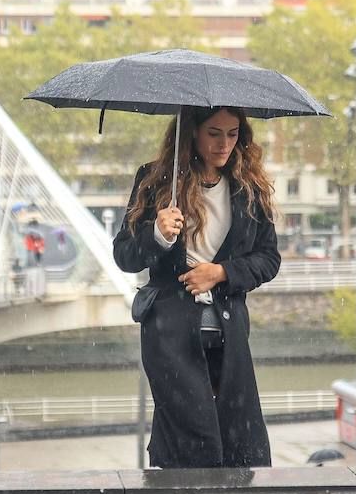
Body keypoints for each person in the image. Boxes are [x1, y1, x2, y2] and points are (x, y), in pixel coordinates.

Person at [114, 106, 280, 468]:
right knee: (193, 434)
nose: (224, 143)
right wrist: (156, 234)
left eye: (233, 133)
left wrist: (221, 272)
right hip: (169, 334)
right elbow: (125, 256)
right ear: (192, 132)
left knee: (240, 436)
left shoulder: (249, 187)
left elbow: (269, 258)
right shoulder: (156, 181)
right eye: (214, 133)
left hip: (229, 333)